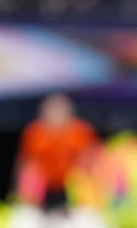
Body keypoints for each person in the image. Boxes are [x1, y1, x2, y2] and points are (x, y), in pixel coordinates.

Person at [16, 93, 100, 223]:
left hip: (72, 186)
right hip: (44, 187)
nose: (56, 114)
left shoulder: (81, 131)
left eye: (60, 110)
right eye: (52, 110)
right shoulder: (34, 132)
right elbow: (25, 162)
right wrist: (22, 190)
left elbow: (91, 159)